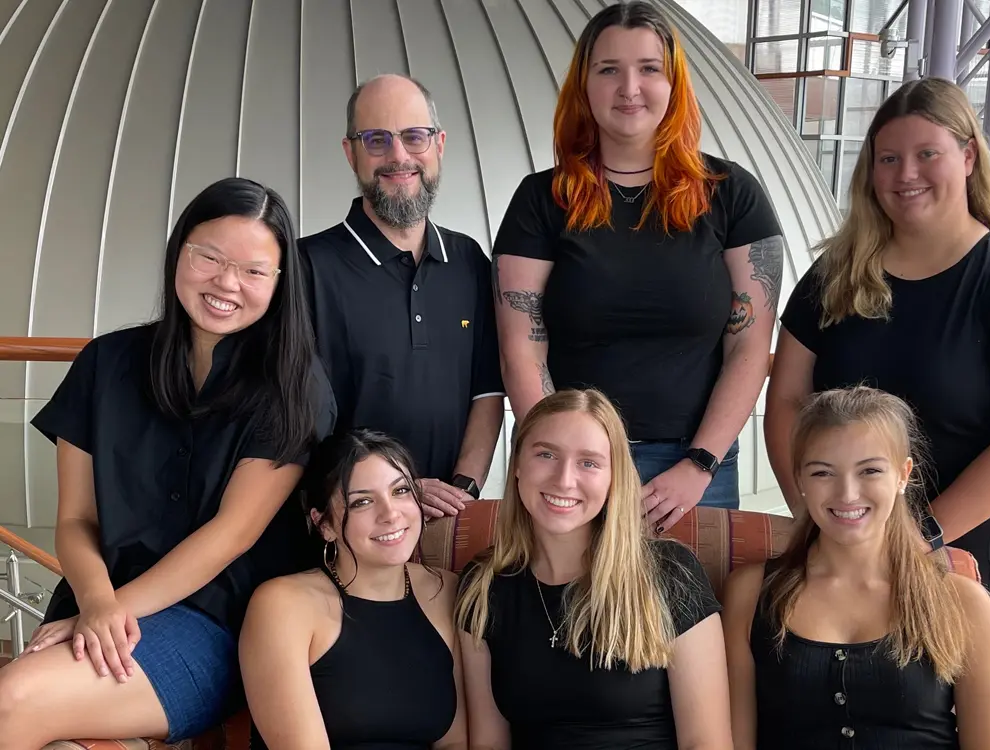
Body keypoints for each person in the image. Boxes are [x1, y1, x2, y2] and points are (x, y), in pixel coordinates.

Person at [0, 177, 336, 746]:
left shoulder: (292, 387)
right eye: (209, 257)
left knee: (11, 701)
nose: (227, 283)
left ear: (280, 283)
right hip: (96, 601)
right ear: (179, 250)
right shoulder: (105, 363)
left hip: (210, 623)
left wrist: (109, 611)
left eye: (254, 271)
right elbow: (77, 519)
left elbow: (231, 535)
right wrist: (97, 602)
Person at [763, 77, 990, 618]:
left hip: (970, 527)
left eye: (926, 154)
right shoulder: (835, 275)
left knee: (942, 684)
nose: (905, 174)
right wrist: (814, 512)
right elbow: (787, 399)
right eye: (888, 159)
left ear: (968, 157)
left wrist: (916, 536)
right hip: (846, 520)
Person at [492, 1, 783, 524]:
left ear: (674, 84)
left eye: (649, 69)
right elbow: (522, 346)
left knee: (694, 609)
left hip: (694, 474)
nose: (630, 88)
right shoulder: (541, 199)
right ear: (585, 86)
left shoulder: (733, 195)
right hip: (574, 474)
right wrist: (566, 461)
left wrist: (699, 463)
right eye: (609, 70)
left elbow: (751, 345)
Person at [724, 387, 990, 750]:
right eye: (823, 473)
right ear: (799, 479)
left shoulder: (964, 603)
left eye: (870, 471)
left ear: (902, 475)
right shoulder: (750, 593)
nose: (847, 494)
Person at [455, 389, 732, 750]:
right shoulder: (483, 584)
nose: (564, 480)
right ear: (518, 464)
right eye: (546, 454)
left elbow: (706, 742)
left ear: (614, 478)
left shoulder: (668, 572)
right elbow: (489, 743)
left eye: (589, 462)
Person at [302, 73, 504, 519]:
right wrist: (393, 493)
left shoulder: (469, 261)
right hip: (345, 524)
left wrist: (461, 491)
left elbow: (486, 394)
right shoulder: (306, 268)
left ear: (439, 145)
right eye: (376, 139)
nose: (399, 156)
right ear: (350, 152)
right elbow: (294, 424)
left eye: (415, 137)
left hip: (444, 520)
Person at [240, 429, 467, 749]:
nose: (391, 515)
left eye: (401, 490)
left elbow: (454, 742)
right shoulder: (282, 605)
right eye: (362, 502)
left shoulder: (447, 590)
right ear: (325, 525)